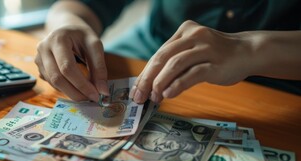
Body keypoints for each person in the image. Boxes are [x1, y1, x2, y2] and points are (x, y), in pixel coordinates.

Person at [34, 0, 301, 103]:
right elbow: (80, 5)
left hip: (281, 81)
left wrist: (252, 49)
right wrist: (66, 24)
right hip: (151, 46)